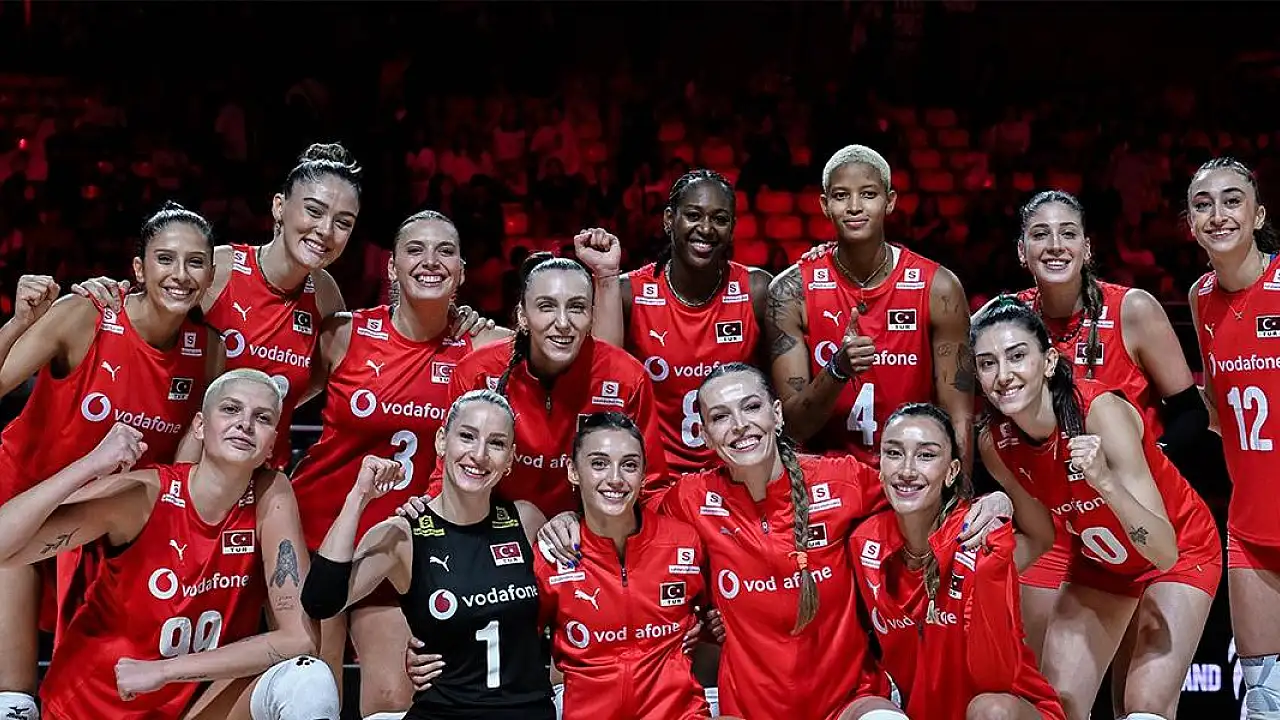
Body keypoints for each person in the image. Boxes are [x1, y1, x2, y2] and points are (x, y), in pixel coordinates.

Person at [539, 363, 1013, 720]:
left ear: (777, 414)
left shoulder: (842, 480)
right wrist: (567, 519)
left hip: (850, 703)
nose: (739, 425)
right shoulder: (690, 499)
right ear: (705, 436)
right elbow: (616, 506)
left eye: (751, 407)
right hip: (748, 712)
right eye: (720, 416)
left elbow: (917, 488)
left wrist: (996, 500)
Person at [0, 369, 337, 720]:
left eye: (262, 418)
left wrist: (165, 671)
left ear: (271, 445)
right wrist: (89, 465)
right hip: (96, 706)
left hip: (189, 703)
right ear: (200, 426)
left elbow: (300, 639)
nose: (245, 424)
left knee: (308, 679)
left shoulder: (271, 493)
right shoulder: (145, 496)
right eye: (231, 409)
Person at [0, 203, 224, 719]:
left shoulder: (208, 351)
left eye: (195, 262)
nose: (180, 274)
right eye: (165, 259)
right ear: (138, 268)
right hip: (20, 504)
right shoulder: (86, 315)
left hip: (99, 531)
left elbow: (185, 465)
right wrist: (17, 323)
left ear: (211, 275)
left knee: (82, 692)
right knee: (15, 698)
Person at [290, 210, 511, 718]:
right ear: (391, 266)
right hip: (320, 535)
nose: (430, 261)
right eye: (415, 250)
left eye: (445, 252)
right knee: (314, 691)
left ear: (462, 271)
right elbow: (273, 396)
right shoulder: (344, 333)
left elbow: (563, 346)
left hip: (402, 546)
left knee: (393, 699)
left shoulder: (489, 347)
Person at [972, 298, 1221, 720]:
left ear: (1049, 362)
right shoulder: (995, 444)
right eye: (987, 363)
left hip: (1180, 548)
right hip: (1100, 562)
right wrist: (972, 575)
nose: (1004, 375)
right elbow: (1040, 536)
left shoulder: (1100, 413)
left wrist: (1105, 482)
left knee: (1144, 709)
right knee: (1058, 708)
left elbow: (1163, 551)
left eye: (1017, 356)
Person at [1011, 189, 1214, 660]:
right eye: (1040, 235)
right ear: (1022, 251)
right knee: (1043, 682)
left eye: (1068, 234)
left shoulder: (1132, 310)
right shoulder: (1008, 323)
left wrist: (1141, 465)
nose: (1055, 245)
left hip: (1136, 513)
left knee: (1135, 687)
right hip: (1059, 527)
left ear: (1087, 247)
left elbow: (1191, 411)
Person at [75, 143, 361, 471]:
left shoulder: (325, 295)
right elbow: (141, 329)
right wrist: (102, 294)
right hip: (178, 472)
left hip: (263, 476)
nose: (326, 230)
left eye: (343, 222)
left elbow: (309, 384)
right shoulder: (218, 271)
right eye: (313, 211)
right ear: (279, 207)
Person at [301, 390, 556, 720]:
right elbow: (320, 602)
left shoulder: (527, 521)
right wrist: (359, 497)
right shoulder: (402, 534)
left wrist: (567, 519)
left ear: (510, 459)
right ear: (441, 441)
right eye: (467, 436)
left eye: (496, 443)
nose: (479, 454)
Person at [851, 402, 1064, 720]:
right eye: (894, 453)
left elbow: (996, 676)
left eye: (926, 455)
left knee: (990, 712)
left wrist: (1001, 511)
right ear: (879, 466)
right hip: (923, 712)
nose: (907, 470)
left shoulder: (980, 534)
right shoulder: (863, 544)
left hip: (1008, 710)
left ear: (951, 472)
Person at [767, 145, 973, 471]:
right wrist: (837, 370)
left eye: (868, 194)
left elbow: (958, 415)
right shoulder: (790, 292)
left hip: (912, 475)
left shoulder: (939, 287)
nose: (854, 207)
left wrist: (958, 493)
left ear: (889, 201)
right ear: (824, 205)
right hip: (826, 480)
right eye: (840, 196)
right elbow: (792, 428)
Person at [429, 253, 669, 517]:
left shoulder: (627, 378)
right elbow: (446, 474)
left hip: (591, 529)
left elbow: (649, 486)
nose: (563, 323)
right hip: (496, 526)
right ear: (522, 316)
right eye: (546, 306)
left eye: (576, 307)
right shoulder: (478, 372)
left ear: (592, 315)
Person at [580, 169, 772, 474]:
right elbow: (606, 381)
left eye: (720, 219)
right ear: (669, 219)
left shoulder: (756, 290)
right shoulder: (629, 293)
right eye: (693, 215)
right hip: (657, 478)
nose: (706, 228)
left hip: (738, 474)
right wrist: (605, 276)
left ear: (732, 228)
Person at [532, 412, 709, 720]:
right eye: (599, 463)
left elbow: (716, 615)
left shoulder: (683, 541)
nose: (615, 478)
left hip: (679, 713)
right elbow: (517, 642)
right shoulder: (554, 553)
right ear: (573, 471)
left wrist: (703, 625)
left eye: (629, 465)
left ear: (644, 474)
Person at [1185, 157, 1280, 719]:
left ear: (1258, 215)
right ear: (1191, 224)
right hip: (1250, 529)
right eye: (1203, 204)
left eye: (1231, 200)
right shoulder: (1201, 297)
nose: (1217, 214)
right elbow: (1219, 411)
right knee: (1265, 702)